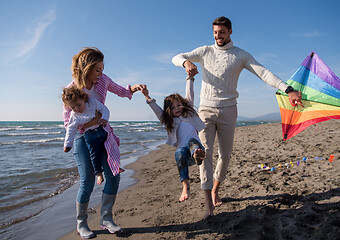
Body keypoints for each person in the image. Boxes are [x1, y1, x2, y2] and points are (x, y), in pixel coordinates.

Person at [172, 16, 303, 219]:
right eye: (215, 33)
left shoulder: (240, 55)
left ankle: (216, 188)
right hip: (205, 111)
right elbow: (177, 56)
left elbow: (264, 73)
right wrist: (186, 62)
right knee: (203, 153)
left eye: (222, 32)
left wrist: (288, 89)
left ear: (230, 32)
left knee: (225, 156)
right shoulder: (205, 51)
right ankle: (208, 204)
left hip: (229, 111)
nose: (218, 37)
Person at [63, 47, 144, 239]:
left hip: (104, 135)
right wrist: (92, 121)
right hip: (84, 139)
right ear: (86, 68)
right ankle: (81, 223)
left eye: (101, 69)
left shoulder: (103, 80)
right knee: (88, 182)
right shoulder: (72, 90)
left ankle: (106, 218)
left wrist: (134, 88)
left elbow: (121, 91)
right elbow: (68, 123)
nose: (100, 73)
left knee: (113, 175)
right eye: (97, 69)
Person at [141, 76, 206, 202]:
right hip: (184, 153)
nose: (176, 109)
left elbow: (190, 93)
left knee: (193, 143)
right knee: (179, 152)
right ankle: (185, 185)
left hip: (195, 146)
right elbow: (157, 110)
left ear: (183, 104)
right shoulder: (169, 121)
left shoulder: (189, 114)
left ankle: (198, 155)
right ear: (168, 110)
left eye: (179, 105)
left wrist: (190, 79)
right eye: (173, 107)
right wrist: (147, 97)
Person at [62, 86, 111, 186]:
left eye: (79, 105)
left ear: (84, 99)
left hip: (101, 129)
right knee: (94, 155)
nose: (77, 109)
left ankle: (115, 166)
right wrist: (68, 144)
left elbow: (104, 109)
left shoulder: (92, 103)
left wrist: (105, 119)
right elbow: (70, 129)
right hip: (90, 135)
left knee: (110, 148)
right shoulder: (74, 115)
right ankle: (98, 173)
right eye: (73, 107)